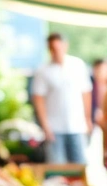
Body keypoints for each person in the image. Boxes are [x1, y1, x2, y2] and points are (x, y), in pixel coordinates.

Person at [32, 33, 93, 164]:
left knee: (80, 166)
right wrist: (45, 125)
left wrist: (87, 119)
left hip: (77, 126)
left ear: (65, 46)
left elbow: (86, 93)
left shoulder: (78, 65)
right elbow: (38, 99)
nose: (55, 52)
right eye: (52, 49)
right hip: (54, 128)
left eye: (58, 48)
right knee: (57, 167)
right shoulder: (43, 70)